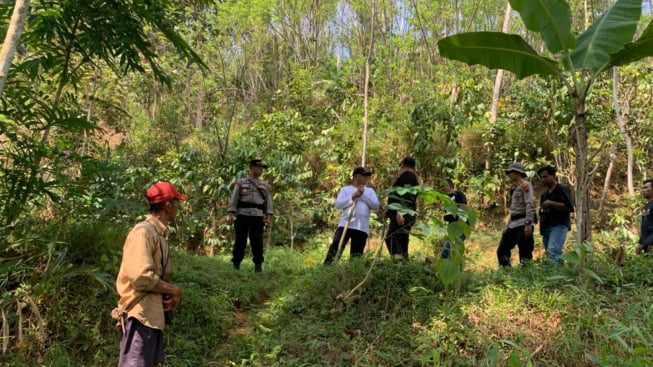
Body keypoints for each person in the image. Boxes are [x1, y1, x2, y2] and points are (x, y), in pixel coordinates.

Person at [116, 181, 186, 367]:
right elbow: (141, 276)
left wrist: (169, 295)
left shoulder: (159, 235)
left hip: (153, 318)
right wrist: (174, 290)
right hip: (141, 317)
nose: (178, 207)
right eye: (177, 203)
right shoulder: (143, 232)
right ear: (168, 206)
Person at [323, 166, 380, 264]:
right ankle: (326, 270)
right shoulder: (345, 190)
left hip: (361, 227)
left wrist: (363, 195)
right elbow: (338, 204)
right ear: (356, 176)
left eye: (366, 176)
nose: (366, 178)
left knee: (356, 256)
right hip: (345, 224)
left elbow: (376, 206)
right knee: (335, 249)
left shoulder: (370, 191)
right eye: (363, 175)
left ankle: (352, 276)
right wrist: (353, 197)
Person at [227, 159, 273, 273]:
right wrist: (230, 214)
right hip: (242, 214)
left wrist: (268, 216)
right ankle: (236, 264)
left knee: (257, 241)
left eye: (262, 168)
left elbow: (268, 202)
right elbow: (234, 198)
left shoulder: (264, 185)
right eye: (259, 168)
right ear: (252, 168)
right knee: (240, 240)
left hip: (257, 216)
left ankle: (258, 266)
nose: (261, 170)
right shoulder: (241, 182)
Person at [497, 162, 536, 267]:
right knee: (502, 251)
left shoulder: (525, 185)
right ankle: (506, 272)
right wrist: (507, 225)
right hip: (513, 224)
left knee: (525, 254)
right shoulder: (514, 188)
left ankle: (526, 276)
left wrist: (528, 223)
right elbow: (514, 210)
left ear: (517, 173)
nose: (509, 174)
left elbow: (529, 204)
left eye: (511, 172)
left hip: (523, 223)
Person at [537, 166, 574, 264]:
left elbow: (569, 207)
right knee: (552, 253)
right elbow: (542, 209)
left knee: (553, 252)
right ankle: (561, 274)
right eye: (541, 178)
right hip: (546, 226)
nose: (543, 179)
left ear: (553, 176)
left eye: (545, 177)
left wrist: (551, 203)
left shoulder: (562, 189)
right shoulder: (544, 194)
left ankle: (552, 278)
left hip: (559, 224)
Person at [385, 157, 419, 260]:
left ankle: (399, 261)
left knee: (391, 237)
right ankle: (404, 263)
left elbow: (406, 195)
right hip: (405, 212)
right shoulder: (412, 177)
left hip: (402, 213)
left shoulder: (408, 176)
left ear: (403, 165)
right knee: (402, 239)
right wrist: (389, 211)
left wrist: (400, 211)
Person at [440, 178, 468, 259]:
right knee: (452, 251)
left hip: (460, 227)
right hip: (451, 229)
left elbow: (463, 209)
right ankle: (457, 270)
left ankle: (445, 270)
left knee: (446, 251)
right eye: (440, 187)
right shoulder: (445, 201)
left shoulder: (458, 194)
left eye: (444, 186)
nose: (442, 188)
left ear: (451, 186)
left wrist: (458, 227)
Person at [636, 178, 653, 255]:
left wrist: (649, 242)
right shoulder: (646, 207)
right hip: (646, 246)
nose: (643, 190)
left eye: (646, 187)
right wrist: (641, 243)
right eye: (643, 188)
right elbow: (645, 225)